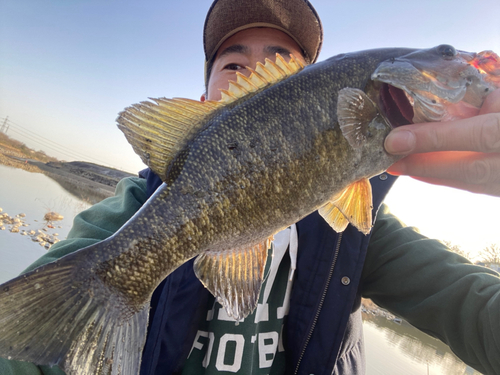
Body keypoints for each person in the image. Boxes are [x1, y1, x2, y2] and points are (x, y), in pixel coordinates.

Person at [1, 0, 500, 374]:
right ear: (201, 103)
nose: (260, 72)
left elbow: (477, 311)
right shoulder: (131, 210)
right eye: (235, 65)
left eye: (282, 61)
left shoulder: (362, 230)